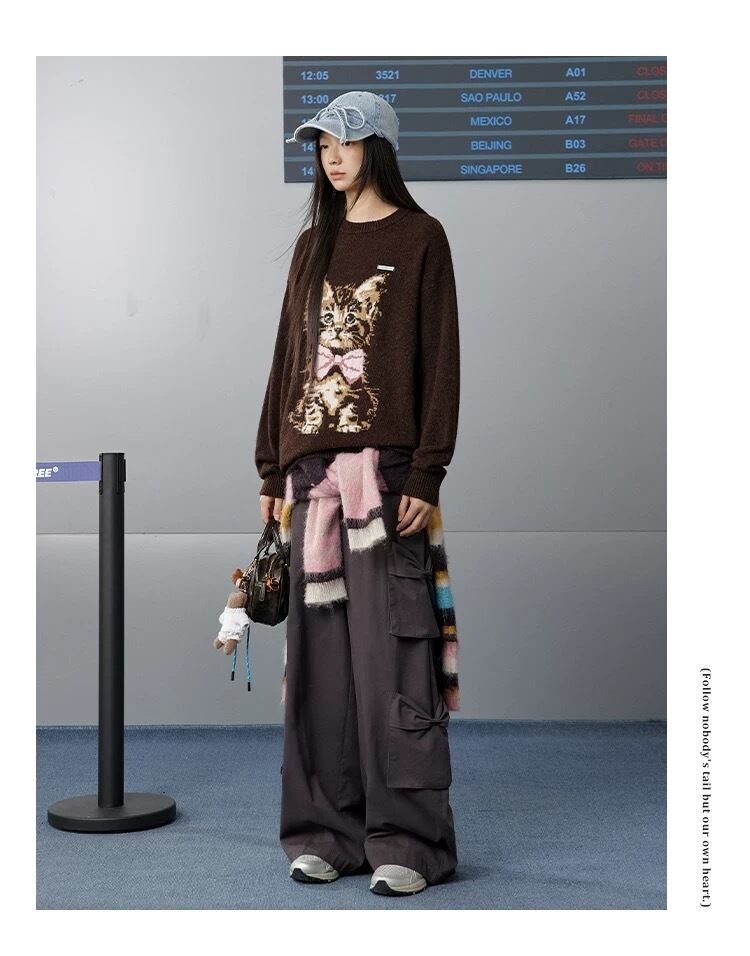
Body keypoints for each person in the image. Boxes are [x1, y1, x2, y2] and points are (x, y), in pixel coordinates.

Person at [255, 90, 460, 897]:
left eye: (345, 141)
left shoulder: (421, 237)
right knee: (319, 674)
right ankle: (324, 834)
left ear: (380, 146)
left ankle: (411, 841)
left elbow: (440, 359)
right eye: (321, 145)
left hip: (387, 482)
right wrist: (270, 471)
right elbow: (287, 360)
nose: (331, 157)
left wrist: (428, 471)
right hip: (311, 483)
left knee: (395, 663)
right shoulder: (315, 244)